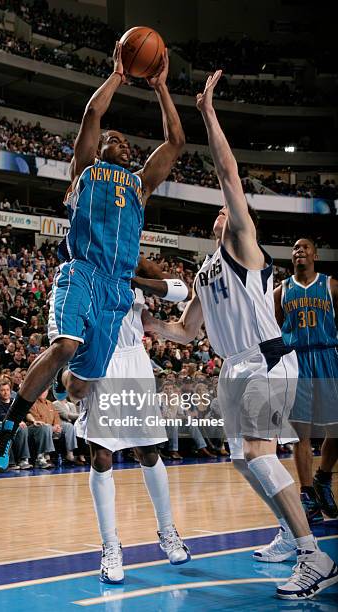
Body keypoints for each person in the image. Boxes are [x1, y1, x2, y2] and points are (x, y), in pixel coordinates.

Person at [143, 70, 338, 600]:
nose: (226, 208)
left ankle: (313, 554)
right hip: (233, 368)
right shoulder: (207, 272)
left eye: (233, 205)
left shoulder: (246, 249)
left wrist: (207, 112)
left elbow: (227, 169)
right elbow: (186, 333)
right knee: (241, 457)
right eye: (223, 209)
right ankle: (285, 530)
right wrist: (154, 325)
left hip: (266, 360)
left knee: (257, 451)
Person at [0, 42, 184, 471]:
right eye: (115, 139)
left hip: (116, 291)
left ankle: (62, 384)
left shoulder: (140, 186)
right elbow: (92, 116)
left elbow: (176, 142)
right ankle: (7, 430)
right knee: (64, 345)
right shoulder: (85, 170)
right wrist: (118, 75)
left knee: (77, 387)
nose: (122, 144)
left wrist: (161, 88)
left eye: (127, 142)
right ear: (98, 149)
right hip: (82, 272)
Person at [71, 257, 190, 583]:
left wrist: (137, 282)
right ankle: (110, 548)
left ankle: (167, 532)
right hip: (100, 359)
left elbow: (181, 291)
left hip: (134, 360)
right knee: (102, 455)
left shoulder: (135, 262)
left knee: (149, 451)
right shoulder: (81, 262)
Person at [274, 239, 338, 523]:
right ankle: (307, 492)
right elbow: (274, 329)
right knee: (302, 432)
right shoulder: (281, 291)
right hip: (296, 361)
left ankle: (323, 477)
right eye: (295, 249)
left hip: (327, 358)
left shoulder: (332, 286)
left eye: (305, 248)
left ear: (315, 254)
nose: (299, 251)